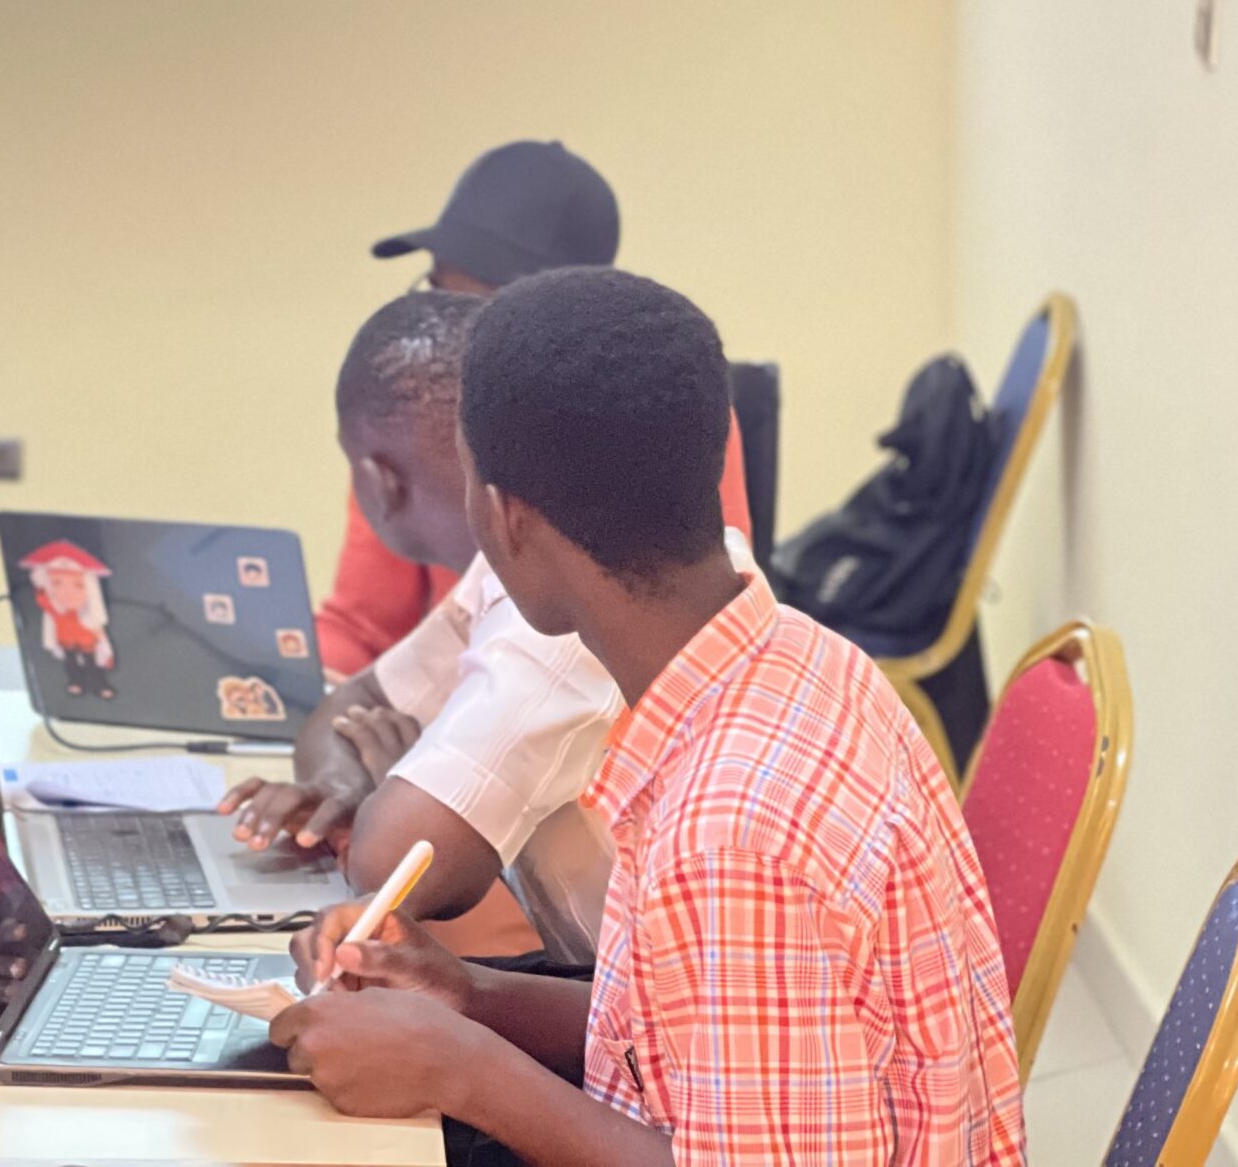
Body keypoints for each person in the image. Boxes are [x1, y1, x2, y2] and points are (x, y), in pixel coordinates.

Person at [269, 268, 1026, 1165]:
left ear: (506, 518)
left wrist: (462, 1070)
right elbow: (685, 1028)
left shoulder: (729, 832)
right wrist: (468, 996)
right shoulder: (802, 659)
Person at [222, 293, 621, 926]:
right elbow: (349, 704)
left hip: (606, 981)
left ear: (380, 482)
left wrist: (397, 778)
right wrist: (345, 788)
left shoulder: (554, 610)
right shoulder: (504, 568)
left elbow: (394, 867)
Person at [318, 141, 625, 676]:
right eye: (438, 291)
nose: (446, 332)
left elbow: (679, 639)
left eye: (478, 309)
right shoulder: (409, 412)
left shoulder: (658, 410)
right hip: (451, 704)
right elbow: (362, 628)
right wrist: (270, 689)